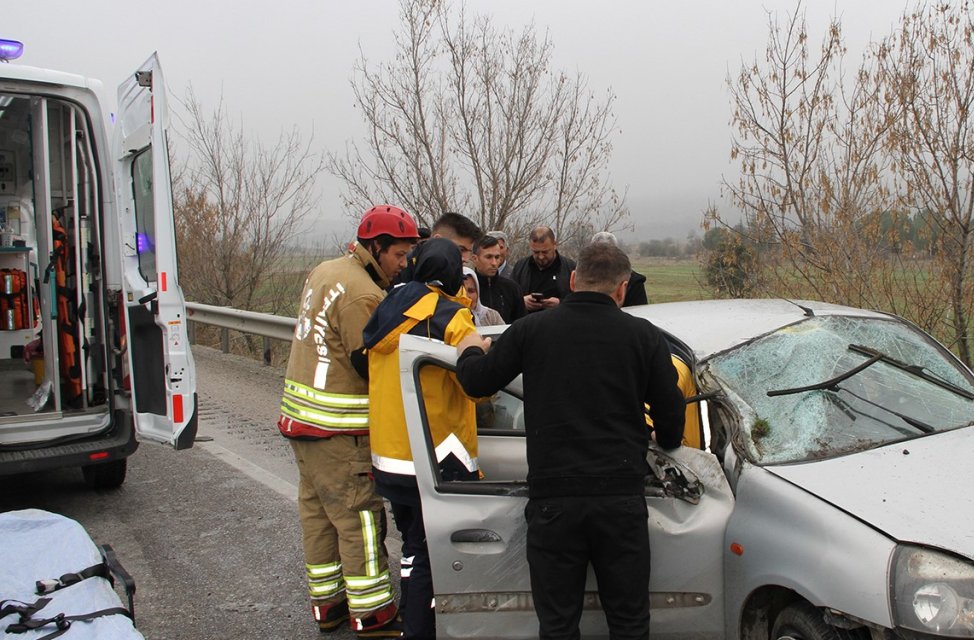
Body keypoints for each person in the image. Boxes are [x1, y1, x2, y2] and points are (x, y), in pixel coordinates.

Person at [454, 242, 685, 640]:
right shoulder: (642, 336)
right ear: (622, 289)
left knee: (558, 625)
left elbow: (477, 381)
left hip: (553, 504)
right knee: (629, 622)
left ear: (574, 280)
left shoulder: (531, 329)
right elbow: (671, 415)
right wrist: (663, 439)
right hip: (621, 501)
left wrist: (470, 348)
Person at [277, 204, 416, 637]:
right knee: (359, 519)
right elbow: (369, 367)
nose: (404, 264)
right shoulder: (365, 295)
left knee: (318, 518)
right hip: (340, 430)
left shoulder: (325, 271)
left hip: (302, 423)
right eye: (398, 255)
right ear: (377, 247)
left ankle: (329, 605)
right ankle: (374, 615)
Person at [362, 238, 480, 640]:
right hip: (435, 459)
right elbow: (480, 386)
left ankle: (412, 616)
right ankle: (419, 629)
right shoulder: (451, 317)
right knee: (428, 554)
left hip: (391, 459)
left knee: (412, 547)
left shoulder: (387, 310)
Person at [510, 226, 575, 313]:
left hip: (559, 321)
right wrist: (521, 302)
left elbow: (580, 300)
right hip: (528, 322)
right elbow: (508, 297)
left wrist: (561, 303)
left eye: (545, 252)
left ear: (555, 245)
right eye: (536, 252)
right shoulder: (520, 267)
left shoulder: (570, 268)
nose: (541, 257)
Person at [471, 235, 525, 323]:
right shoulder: (467, 289)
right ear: (475, 259)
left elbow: (522, 324)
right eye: (488, 257)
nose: (494, 263)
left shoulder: (512, 288)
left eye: (497, 257)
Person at [589, 231, 648, 307]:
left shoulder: (634, 281)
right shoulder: (632, 279)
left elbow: (639, 311)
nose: (603, 257)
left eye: (607, 252)